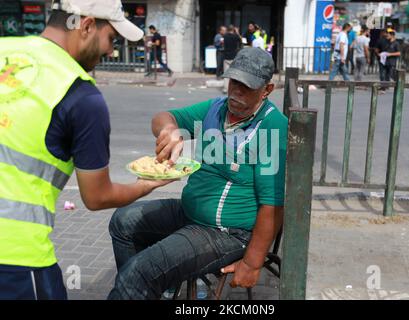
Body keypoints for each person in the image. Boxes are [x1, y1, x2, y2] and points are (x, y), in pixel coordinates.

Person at [0, 0, 174, 300]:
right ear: (87, 25)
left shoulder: (5, 48)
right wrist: (148, 184)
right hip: (16, 261)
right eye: (112, 39)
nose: (110, 51)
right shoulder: (80, 94)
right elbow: (97, 196)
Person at [107, 47, 287, 300]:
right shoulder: (216, 108)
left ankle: (140, 285)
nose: (236, 91)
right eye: (234, 81)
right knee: (123, 221)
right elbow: (164, 116)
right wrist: (170, 130)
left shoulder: (272, 126)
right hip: (190, 212)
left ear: (267, 90)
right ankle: (149, 289)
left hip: (226, 232)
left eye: (247, 86)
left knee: (137, 273)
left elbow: (274, 205)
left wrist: (253, 263)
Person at [222, 24, 242, 93]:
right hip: (234, 57)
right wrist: (237, 32)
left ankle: (225, 89)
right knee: (234, 74)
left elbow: (223, 44)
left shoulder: (225, 36)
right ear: (233, 29)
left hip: (226, 57)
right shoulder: (235, 36)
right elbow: (241, 41)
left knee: (226, 74)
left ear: (228, 29)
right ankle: (234, 89)